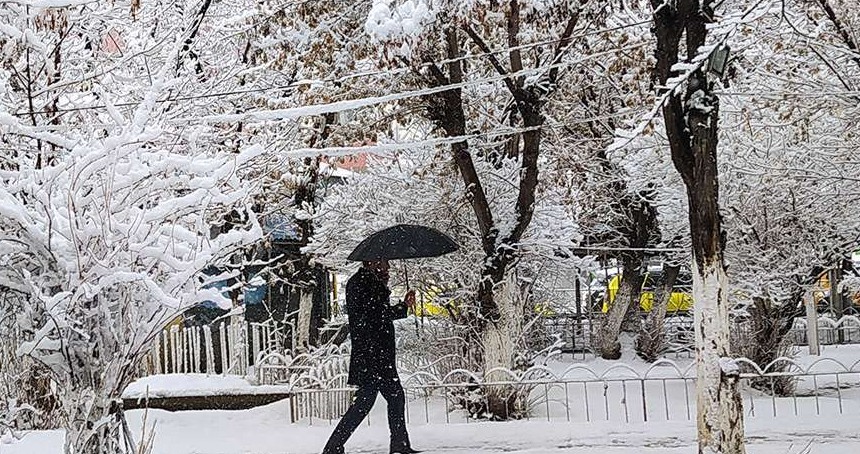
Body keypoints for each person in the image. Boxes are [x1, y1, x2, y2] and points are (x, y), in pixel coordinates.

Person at [322, 260, 421, 454]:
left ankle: (398, 444)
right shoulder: (362, 283)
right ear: (372, 261)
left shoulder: (368, 282)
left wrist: (401, 304)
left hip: (374, 355)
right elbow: (377, 315)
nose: (389, 267)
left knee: (380, 400)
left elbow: (377, 314)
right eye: (384, 262)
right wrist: (400, 305)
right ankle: (334, 446)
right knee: (377, 400)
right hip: (372, 355)